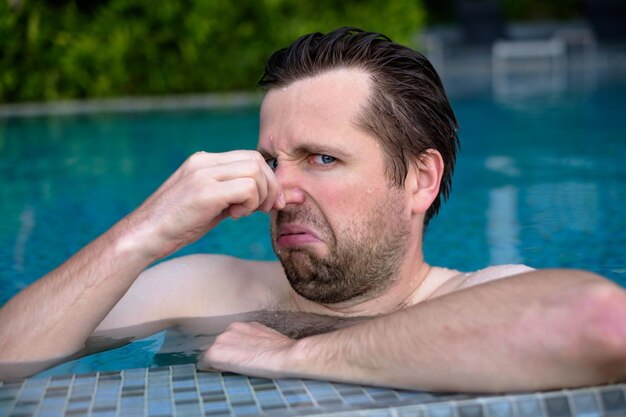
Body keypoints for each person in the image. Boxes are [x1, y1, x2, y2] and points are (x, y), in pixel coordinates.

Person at [0, 27, 625, 391]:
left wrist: (297, 357)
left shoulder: (477, 298)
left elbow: (600, 324)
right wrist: (143, 232)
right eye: (273, 161)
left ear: (419, 180)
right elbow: (7, 360)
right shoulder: (205, 291)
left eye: (322, 159)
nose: (282, 191)